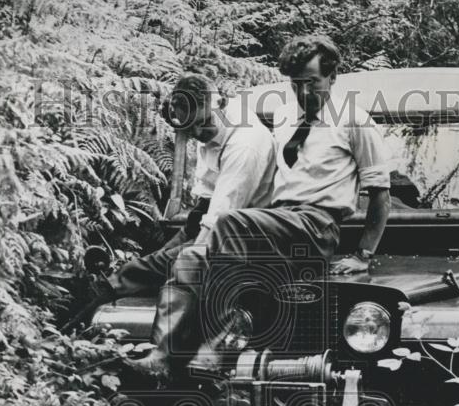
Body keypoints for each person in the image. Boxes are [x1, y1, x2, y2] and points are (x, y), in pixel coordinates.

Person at [134, 34, 392, 377]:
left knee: (229, 223)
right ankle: (163, 359)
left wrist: (363, 255)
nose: (303, 93)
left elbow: (380, 194)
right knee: (191, 257)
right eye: (295, 84)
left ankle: (219, 345)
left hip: (316, 227)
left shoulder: (354, 121)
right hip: (277, 221)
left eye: (312, 83)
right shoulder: (284, 116)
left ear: (332, 77)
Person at [66, 73, 276, 329]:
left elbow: (218, 221)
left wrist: (184, 259)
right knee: (153, 261)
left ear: (218, 104)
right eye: (190, 129)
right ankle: (81, 319)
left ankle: (137, 333)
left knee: (149, 269)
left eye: (202, 124)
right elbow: (204, 204)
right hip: (212, 220)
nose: (198, 133)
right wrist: (168, 251)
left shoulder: (245, 144)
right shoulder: (208, 123)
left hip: (245, 236)